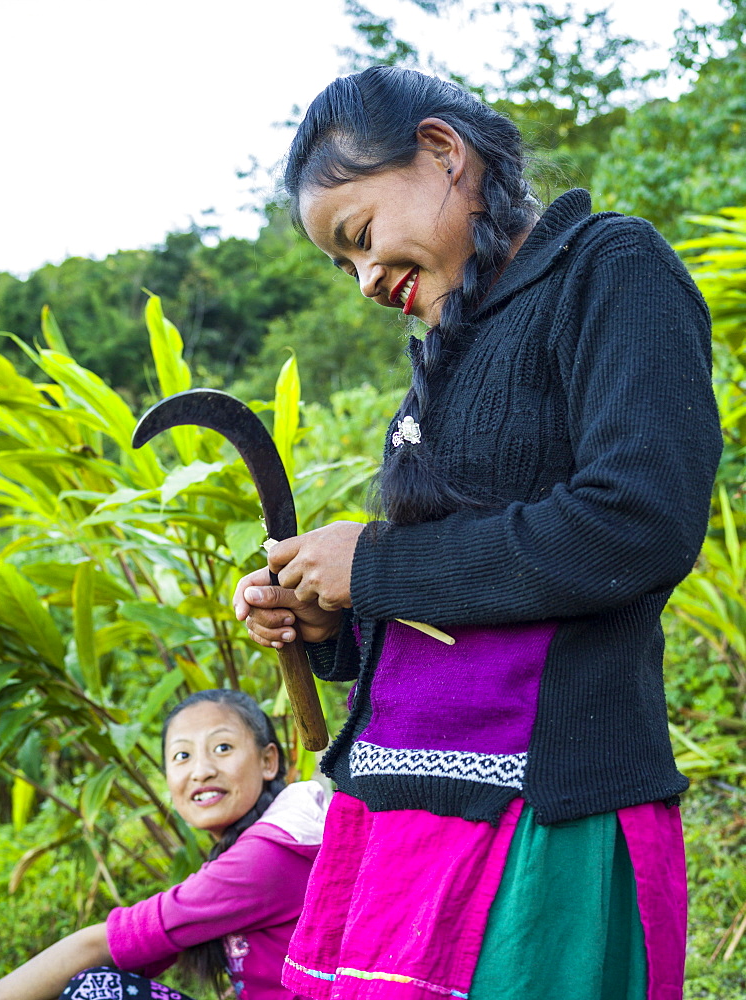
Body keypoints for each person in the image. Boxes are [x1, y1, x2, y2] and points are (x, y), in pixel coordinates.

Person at [232, 66, 723, 1000]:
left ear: (443, 154)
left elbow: (636, 524)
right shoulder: (442, 360)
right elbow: (452, 596)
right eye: (343, 267)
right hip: (399, 823)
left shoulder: (607, 270)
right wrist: (338, 623)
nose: (365, 280)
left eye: (360, 237)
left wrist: (372, 562)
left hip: (541, 822)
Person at [0, 689, 327, 1000]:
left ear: (268, 761)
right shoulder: (280, 835)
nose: (201, 771)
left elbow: (100, 944)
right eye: (182, 755)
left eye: (222, 748)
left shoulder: (267, 855)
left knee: (98, 990)